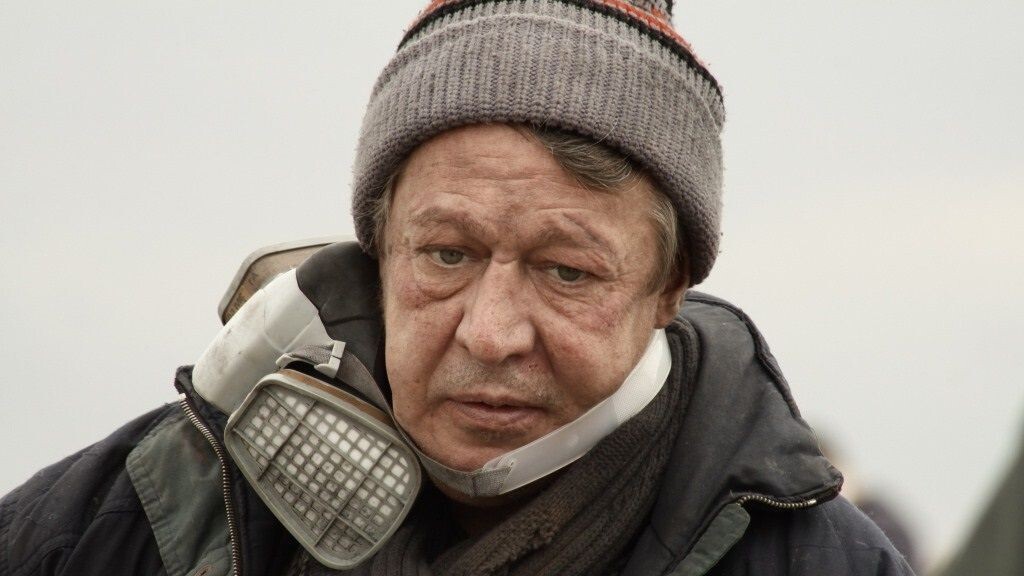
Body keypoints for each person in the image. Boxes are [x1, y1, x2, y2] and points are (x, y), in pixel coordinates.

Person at [0, 1, 914, 575]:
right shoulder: (117, 524)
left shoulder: (824, 563)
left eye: (567, 271)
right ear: (378, 250)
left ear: (668, 287)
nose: (490, 333)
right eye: (446, 255)